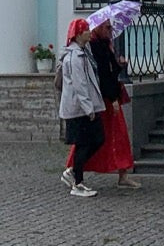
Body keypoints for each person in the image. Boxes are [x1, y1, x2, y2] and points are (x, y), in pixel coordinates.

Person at [83, 20, 142, 189]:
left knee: (119, 136)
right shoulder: (96, 47)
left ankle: (123, 173)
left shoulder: (104, 45)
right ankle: (74, 169)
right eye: (108, 27)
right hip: (105, 99)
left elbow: (110, 71)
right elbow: (103, 76)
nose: (111, 31)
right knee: (95, 135)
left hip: (109, 96)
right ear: (99, 28)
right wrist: (113, 98)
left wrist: (119, 65)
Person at [55, 18, 106, 198]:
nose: (89, 33)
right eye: (86, 30)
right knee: (84, 143)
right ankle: (77, 182)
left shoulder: (84, 52)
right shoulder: (76, 57)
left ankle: (74, 172)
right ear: (78, 34)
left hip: (83, 106)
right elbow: (79, 84)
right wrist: (88, 108)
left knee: (95, 140)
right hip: (79, 109)